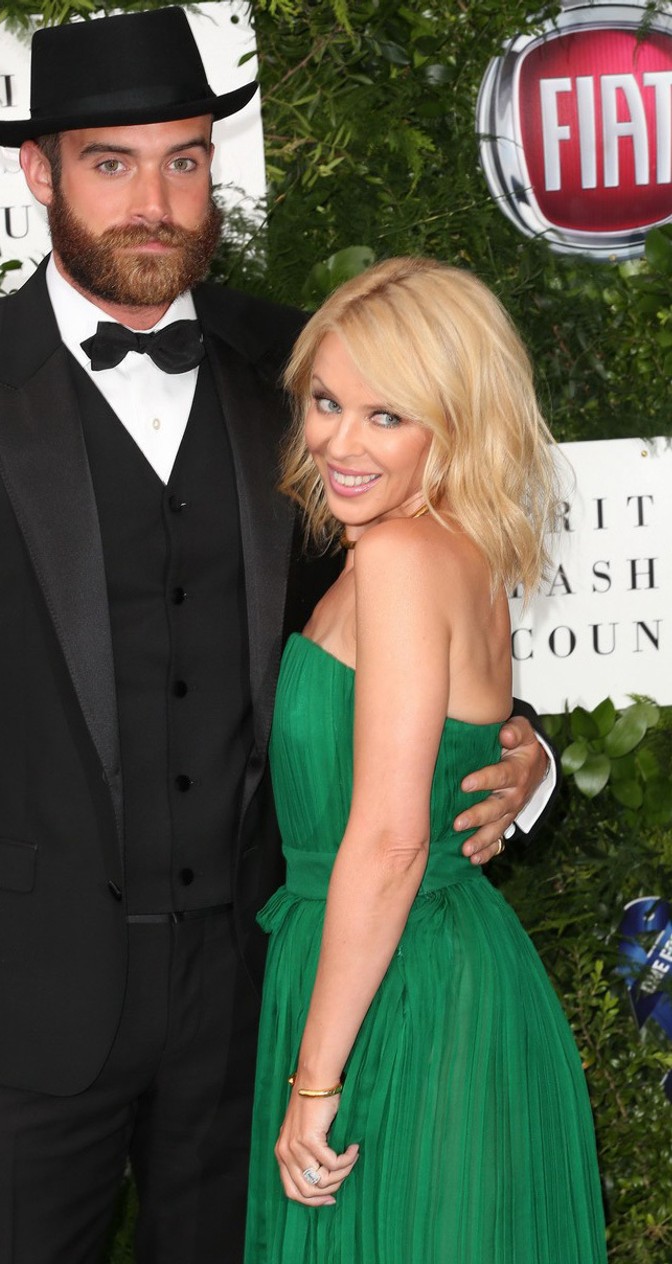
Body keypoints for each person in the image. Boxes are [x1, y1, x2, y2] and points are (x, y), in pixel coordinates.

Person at [0, 11, 554, 1263]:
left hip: (258, 1001)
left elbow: (415, 611)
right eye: (112, 163)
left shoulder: (305, 374)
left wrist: (519, 750)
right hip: (12, 1003)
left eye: (184, 160)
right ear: (38, 171)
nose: (154, 202)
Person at [245, 257, 607, 1262]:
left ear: (454, 423)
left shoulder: (400, 559)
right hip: (420, 961)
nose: (339, 442)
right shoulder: (458, 549)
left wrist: (317, 1079)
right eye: (327, 401)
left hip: (393, 988)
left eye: (386, 416)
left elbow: (393, 840)